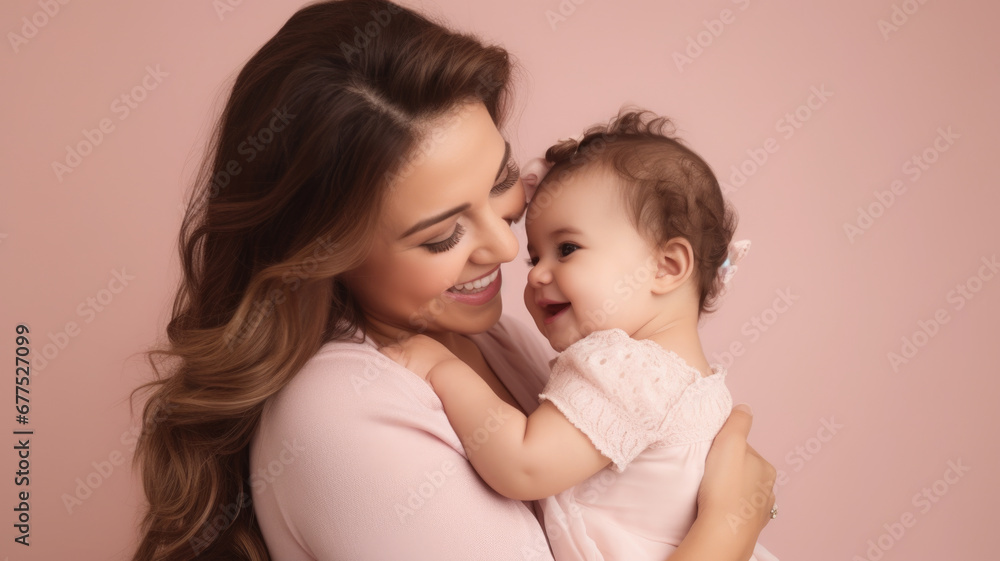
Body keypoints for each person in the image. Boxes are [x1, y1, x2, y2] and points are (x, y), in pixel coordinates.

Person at [129, 1, 777, 560]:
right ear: (321, 254)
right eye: (442, 235)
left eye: (500, 180)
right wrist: (729, 525)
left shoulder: (491, 335)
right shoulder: (337, 408)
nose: (504, 246)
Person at [379, 109, 778, 561]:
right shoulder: (679, 373)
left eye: (567, 249)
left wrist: (439, 365)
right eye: (535, 257)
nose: (535, 275)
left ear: (667, 266)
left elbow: (524, 465)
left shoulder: (630, 368)